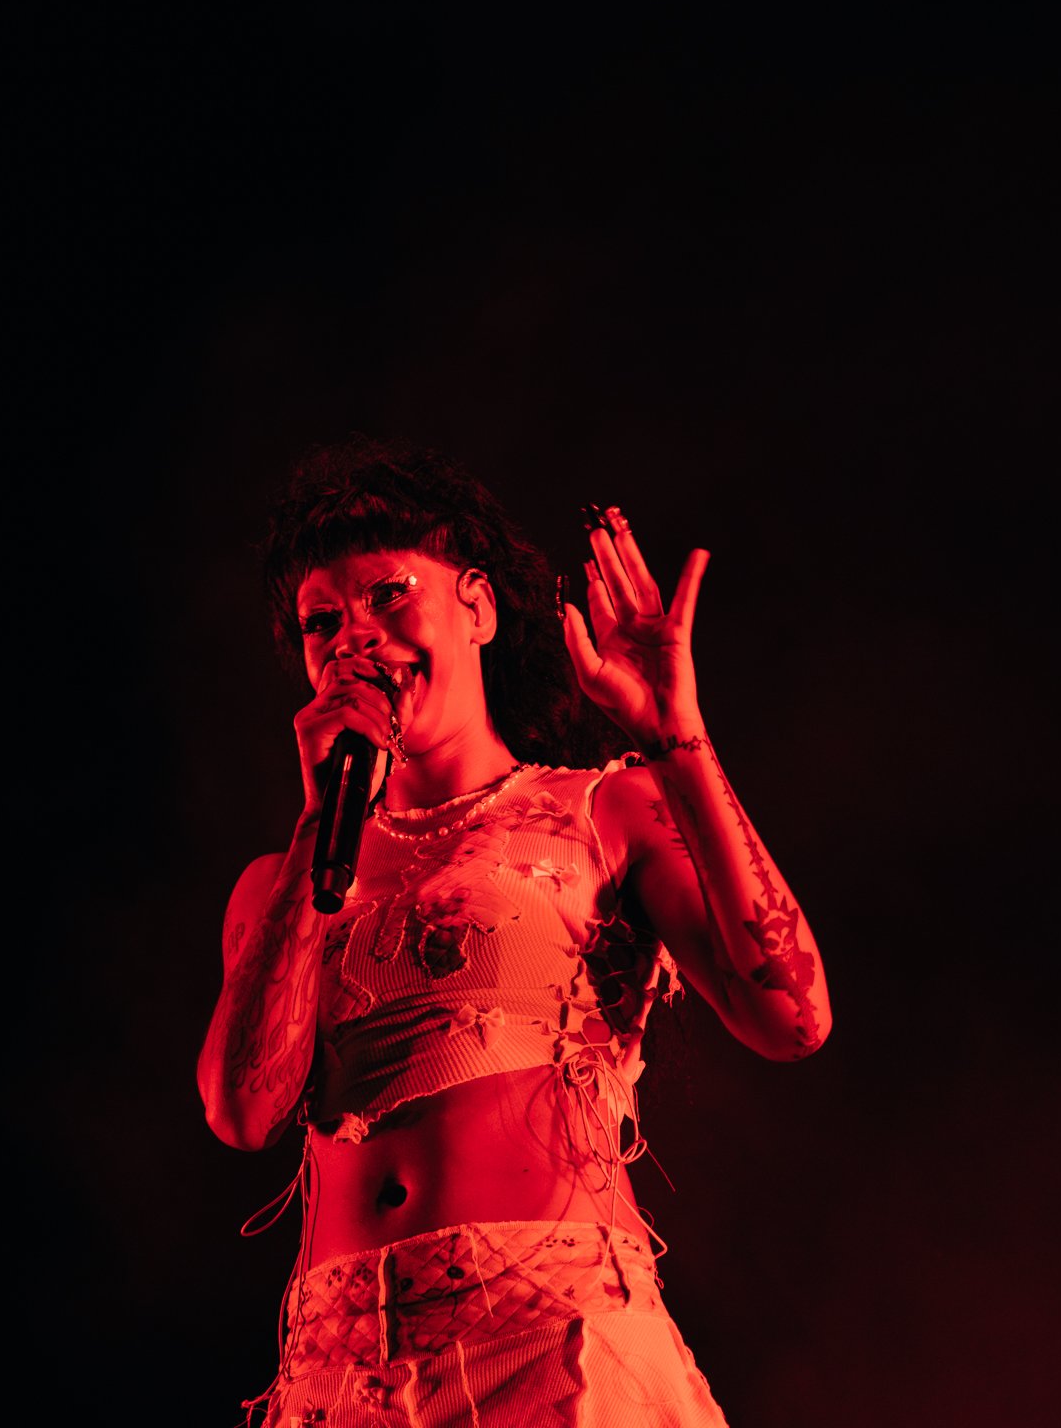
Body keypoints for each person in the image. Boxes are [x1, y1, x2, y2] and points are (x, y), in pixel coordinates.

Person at [197, 437, 832, 1426]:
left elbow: (792, 1015)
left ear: (479, 608)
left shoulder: (601, 810)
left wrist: (675, 738)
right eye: (323, 622)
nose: (356, 637)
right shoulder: (279, 884)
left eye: (389, 595)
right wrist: (319, 826)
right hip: (337, 1376)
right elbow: (243, 1112)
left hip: (545, 1337)